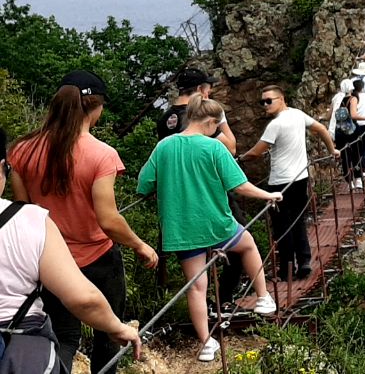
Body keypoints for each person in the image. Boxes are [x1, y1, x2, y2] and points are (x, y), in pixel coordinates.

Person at [7, 71, 157, 374]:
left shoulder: (22, 150)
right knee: (109, 334)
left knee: (63, 336)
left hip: (48, 263)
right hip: (98, 259)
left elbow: (26, 211)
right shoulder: (101, 154)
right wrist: (141, 245)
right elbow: (108, 220)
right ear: (96, 107)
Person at [137, 94, 281, 362]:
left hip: (181, 229)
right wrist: (268, 195)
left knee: (196, 287)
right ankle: (263, 298)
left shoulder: (164, 146)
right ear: (212, 122)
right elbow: (239, 185)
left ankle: (205, 344)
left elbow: (143, 185)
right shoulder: (214, 148)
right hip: (217, 225)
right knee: (247, 243)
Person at [1, 130, 142, 373]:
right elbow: (83, 299)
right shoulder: (28, 219)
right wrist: (117, 327)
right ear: (3, 167)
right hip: (18, 346)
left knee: (66, 336)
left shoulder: (26, 149)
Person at [155, 67, 244, 316]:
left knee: (193, 260)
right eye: (209, 87)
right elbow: (231, 148)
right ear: (202, 90)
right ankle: (223, 300)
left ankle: (194, 307)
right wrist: (222, 121)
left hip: (175, 197)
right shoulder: (200, 115)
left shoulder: (166, 118)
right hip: (209, 192)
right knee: (240, 241)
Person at [239, 86, 339, 281]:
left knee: (282, 228)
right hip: (300, 179)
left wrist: (239, 159)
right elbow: (320, 128)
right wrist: (331, 150)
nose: (265, 105)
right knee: (298, 221)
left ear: (281, 98)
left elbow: (256, 153)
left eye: (269, 100)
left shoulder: (275, 125)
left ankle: (285, 272)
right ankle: (304, 263)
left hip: (279, 185)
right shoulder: (298, 115)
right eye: (262, 102)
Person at [156, 68, 235, 152]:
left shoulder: (164, 118)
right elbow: (231, 149)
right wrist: (221, 118)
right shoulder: (198, 116)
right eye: (208, 92)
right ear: (199, 89)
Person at [334, 79, 365, 191]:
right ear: (351, 88)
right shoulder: (352, 99)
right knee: (356, 153)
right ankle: (358, 179)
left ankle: (349, 181)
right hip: (352, 131)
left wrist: (321, 117)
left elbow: (330, 115)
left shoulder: (337, 99)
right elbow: (353, 115)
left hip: (340, 132)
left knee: (345, 156)